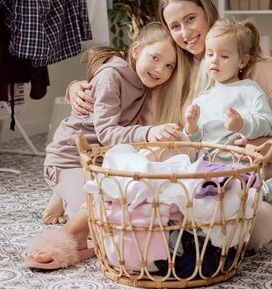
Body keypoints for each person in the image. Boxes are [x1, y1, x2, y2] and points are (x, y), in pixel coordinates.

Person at [67, 0, 272, 250]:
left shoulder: (252, 69)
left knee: (252, 231)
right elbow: (123, 76)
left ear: (207, 11)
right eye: (175, 26)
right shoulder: (167, 68)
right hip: (181, 179)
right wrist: (77, 87)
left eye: (191, 19)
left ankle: (174, 230)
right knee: (139, 190)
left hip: (241, 180)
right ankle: (162, 229)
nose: (185, 32)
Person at [27, 22, 186, 269]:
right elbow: (107, 132)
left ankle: (63, 194)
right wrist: (151, 132)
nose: (159, 69)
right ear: (135, 51)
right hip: (68, 157)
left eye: (168, 66)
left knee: (120, 200)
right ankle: (70, 228)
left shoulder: (144, 83)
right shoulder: (112, 76)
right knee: (101, 213)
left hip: (95, 160)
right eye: (154, 58)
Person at [183, 18, 272, 220]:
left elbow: (267, 124)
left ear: (241, 61)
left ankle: (270, 188)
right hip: (208, 164)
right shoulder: (203, 98)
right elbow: (195, 142)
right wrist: (190, 127)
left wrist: (242, 124)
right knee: (194, 188)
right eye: (210, 55)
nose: (214, 60)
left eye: (224, 56)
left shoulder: (249, 90)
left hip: (238, 163)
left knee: (242, 189)